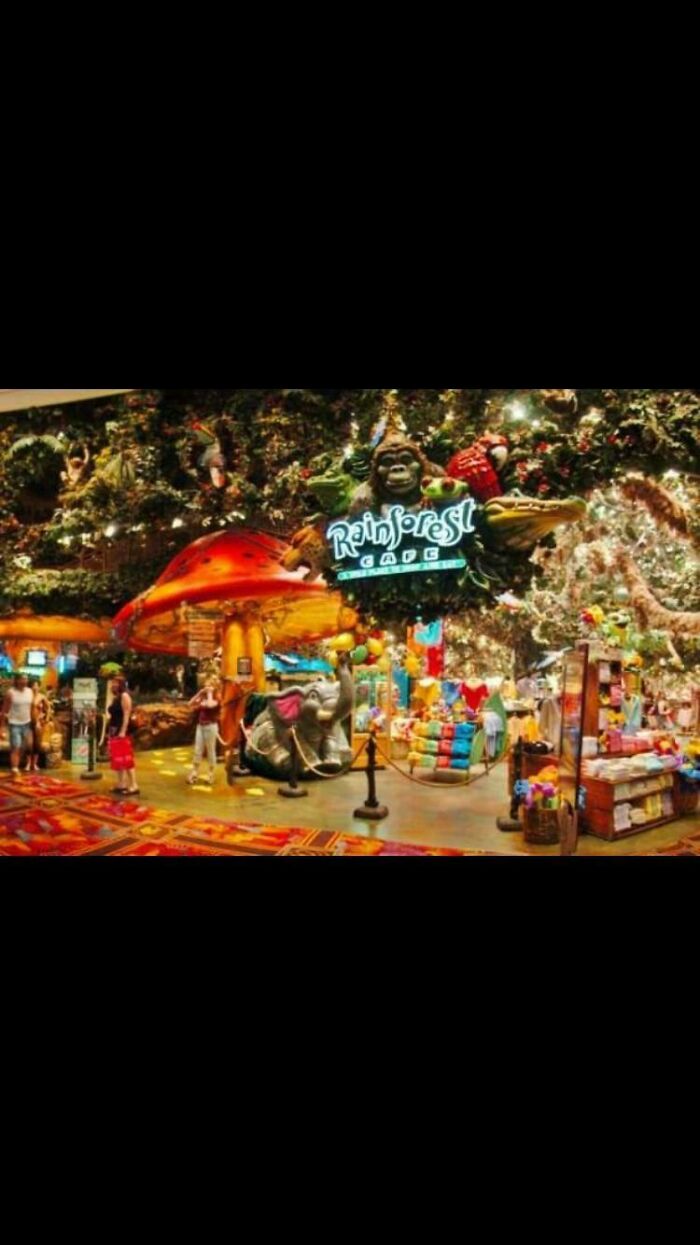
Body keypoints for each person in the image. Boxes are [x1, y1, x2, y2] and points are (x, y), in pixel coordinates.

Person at [106, 677, 139, 796]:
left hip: (121, 731)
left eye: (115, 683)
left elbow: (126, 714)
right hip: (114, 730)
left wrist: (123, 731)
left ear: (121, 684)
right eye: (112, 683)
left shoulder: (125, 696)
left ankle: (134, 785)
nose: (113, 685)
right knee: (118, 759)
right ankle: (121, 783)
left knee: (126, 758)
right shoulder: (116, 697)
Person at [188, 678, 222, 785]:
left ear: (215, 687)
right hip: (200, 726)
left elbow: (210, 705)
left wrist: (210, 693)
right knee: (197, 749)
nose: (207, 688)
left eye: (209, 685)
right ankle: (194, 772)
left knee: (210, 750)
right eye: (205, 685)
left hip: (211, 726)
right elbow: (190, 703)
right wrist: (200, 693)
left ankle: (211, 773)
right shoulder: (203, 697)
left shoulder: (217, 697)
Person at [1, 674, 35, 777]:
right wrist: (1, 727)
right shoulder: (10, 693)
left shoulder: (30, 691)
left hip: (27, 722)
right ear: (17, 681)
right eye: (22, 679)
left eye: (26, 679)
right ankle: (14, 768)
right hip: (14, 723)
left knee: (27, 745)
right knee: (16, 746)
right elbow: (4, 710)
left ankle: (16, 763)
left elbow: (31, 707)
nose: (25, 681)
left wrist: (35, 721)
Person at [25, 678, 49, 773]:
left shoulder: (42, 697)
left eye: (36, 685)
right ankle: (28, 763)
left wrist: (45, 719)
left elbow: (48, 709)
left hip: (38, 723)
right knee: (29, 744)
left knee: (37, 744)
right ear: (30, 687)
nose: (35, 687)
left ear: (39, 686)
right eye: (33, 685)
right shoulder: (26, 697)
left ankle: (34, 764)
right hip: (27, 722)